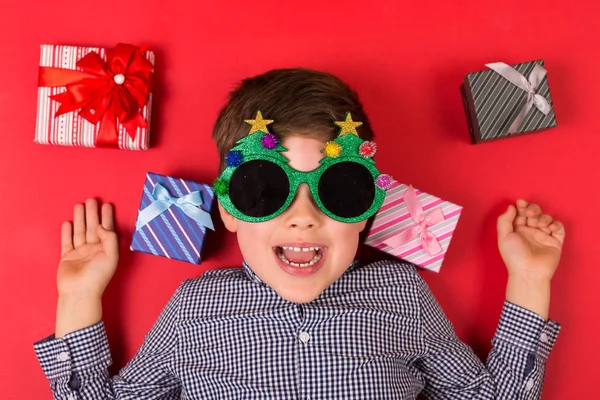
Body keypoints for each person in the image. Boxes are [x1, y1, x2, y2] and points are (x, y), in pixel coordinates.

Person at [34, 68, 565, 399]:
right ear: (230, 211)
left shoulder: (404, 296)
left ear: (366, 211)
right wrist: (79, 296)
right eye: (266, 190)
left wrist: (529, 278)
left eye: (339, 191)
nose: (303, 218)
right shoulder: (193, 308)